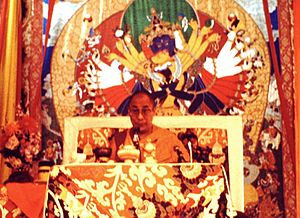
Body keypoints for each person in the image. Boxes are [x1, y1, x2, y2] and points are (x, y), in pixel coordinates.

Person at [110, 90, 189, 163]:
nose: (140, 116)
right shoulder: (119, 139)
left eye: (145, 110)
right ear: (129, 112)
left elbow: (186, 169)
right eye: (135, 111)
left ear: (154, 111)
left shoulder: (169, 139)